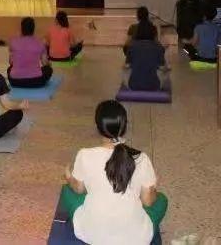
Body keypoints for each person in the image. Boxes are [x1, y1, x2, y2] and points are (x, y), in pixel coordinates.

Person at [62, 100, 168, 244]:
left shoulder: (85, 155)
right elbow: (148, 201)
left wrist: (69, 176)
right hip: (135, 239)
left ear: (97, 128)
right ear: (125, 127)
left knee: (67, 191)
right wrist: (153, 187)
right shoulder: (141, 158)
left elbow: (79, 189)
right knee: (162, 200)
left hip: (92, 234)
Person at [8, 17, 52, 88]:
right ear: (33, 29)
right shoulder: (40, 43)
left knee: (9, 69)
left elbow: (11, 62)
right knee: (48, 69)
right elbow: (45, 63)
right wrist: (49, 64)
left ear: (21, 28)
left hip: (15, 81)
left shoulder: (13, 42)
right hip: (36, 81)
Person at [125, 22, 168, 91]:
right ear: (154, 33)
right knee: (165, 68)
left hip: (133, 85)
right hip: (155, 86)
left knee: (126, 68)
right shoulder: (158, 47)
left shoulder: (132, 46)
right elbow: (162, 67)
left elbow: (127, 66)